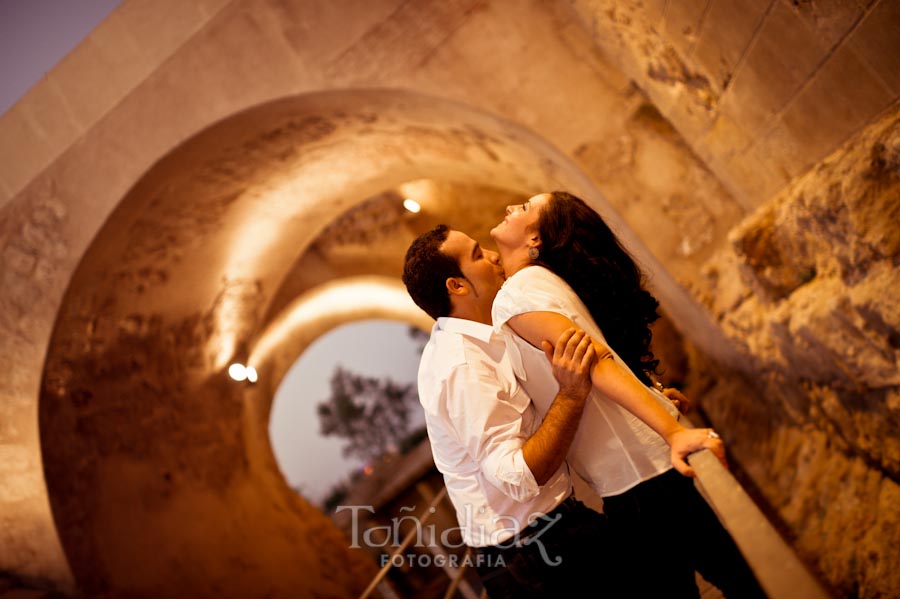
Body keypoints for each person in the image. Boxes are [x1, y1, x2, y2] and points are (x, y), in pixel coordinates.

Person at [489, 190, 766, 598]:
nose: (511, 207)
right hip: (641, 474)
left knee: (737, 580)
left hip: (638, 480)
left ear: (536, 240)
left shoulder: (517, 293)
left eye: (526, 208)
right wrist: (651, 393)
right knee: (737, 577)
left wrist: (673, 432)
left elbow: (594, 359)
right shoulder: (540, 282)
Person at [402, 225, 625, 598]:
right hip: (536, 556)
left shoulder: (485, 337)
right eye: (476, 254)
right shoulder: (462, 366)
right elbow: (517, 477)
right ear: (456, 286)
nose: (491, 256)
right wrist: (571, 395)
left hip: (545, 538)